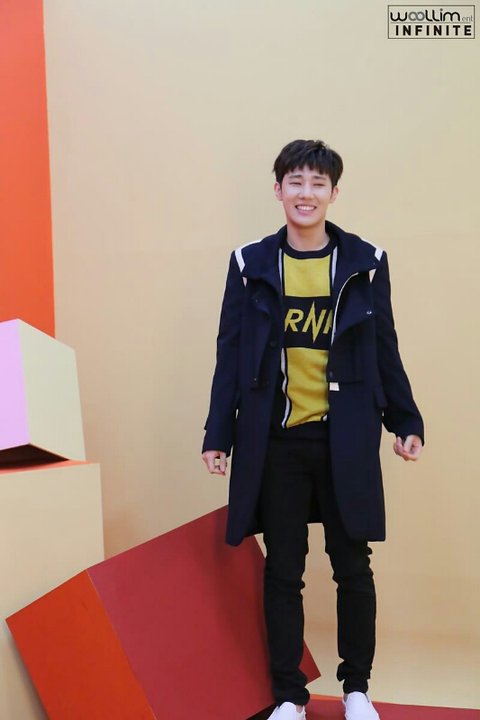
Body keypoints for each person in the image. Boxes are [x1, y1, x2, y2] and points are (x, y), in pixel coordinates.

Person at [201, 139, 424, 720]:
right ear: (278, 189)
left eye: (317, 183)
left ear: (333, 192)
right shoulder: (249, 263)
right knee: (283, 568)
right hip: (276, 440)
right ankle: (289, 696)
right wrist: (218, 433)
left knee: (353, 567)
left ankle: (357, 690)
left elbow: (383, 345)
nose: (306, 193)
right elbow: (230, 353)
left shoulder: (365, 261)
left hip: (345, 436)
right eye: (295, 182)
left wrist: (404, 419)